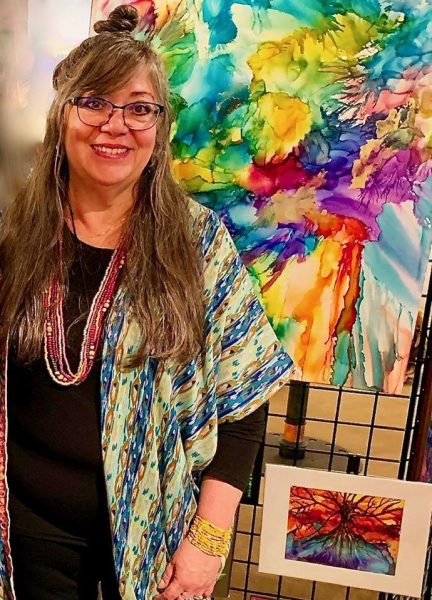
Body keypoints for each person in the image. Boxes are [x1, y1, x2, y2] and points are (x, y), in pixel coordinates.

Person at [0, 5, 293, 599]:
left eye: (138, 108)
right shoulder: (15, 234)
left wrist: (208, 541)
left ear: (159, 126)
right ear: (62, 115)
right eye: (94, 103)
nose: (115, 125)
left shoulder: (198, 243)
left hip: (157, 537)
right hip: (27, 534)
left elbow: (245, 404)